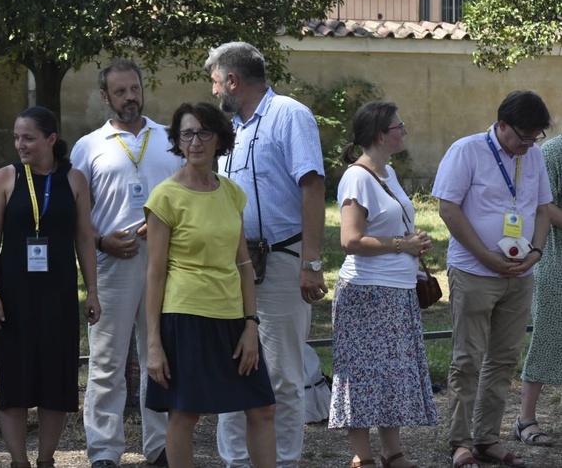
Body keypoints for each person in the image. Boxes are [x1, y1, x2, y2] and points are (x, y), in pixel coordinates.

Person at [206, 41, 327, 468]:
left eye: (216, 81)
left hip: (280, 262)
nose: (214, 91)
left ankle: (285, 462)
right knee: (230, 370)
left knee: (283, 375)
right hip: (229, 268)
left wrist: (311, 263)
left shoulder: (289, 115)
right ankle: (237, 462)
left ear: (233, 81)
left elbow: (312, 186)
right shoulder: (229, 130)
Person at [144, 102, 277, 468]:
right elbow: (154, 274)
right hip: (185, 316)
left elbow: (244, 265)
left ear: (219, 139)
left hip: (232, 317)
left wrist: (251, 324)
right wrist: (154, 343)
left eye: (204, 132)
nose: (195, 141)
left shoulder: (231, 193)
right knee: (184, 415)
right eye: (187, 133)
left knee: (263, 408)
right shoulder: (165, 197)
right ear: (177, 141)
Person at [432, 90, 552, 468]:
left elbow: (543, 209)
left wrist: (535, 252)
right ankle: (460, 442)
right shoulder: (466, 151)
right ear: (501, 125)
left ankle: (487, 438)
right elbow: (448, 209)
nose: (529, 144)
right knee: (468, 359)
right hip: (474, 271)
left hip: (521, 273)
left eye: (535, 137)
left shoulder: (532, 156)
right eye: (523, 136)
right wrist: (485, 256)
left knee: (503, 360)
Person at [70, 58, 180, 468]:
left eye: (135, 88)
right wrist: (101, 241)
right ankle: (103, 452)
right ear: (105, 97)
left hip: (165, 262)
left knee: (161, 355)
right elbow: (76, 213)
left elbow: (186, 197)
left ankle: (160, 447)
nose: (131, 97)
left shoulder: (170, 138)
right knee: (106, 361)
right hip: (112, 263)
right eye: (121, 92)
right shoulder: (89, 146)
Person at [0, 106, 101, 468]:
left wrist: (92, 290)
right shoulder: (5, 178)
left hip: (59, 293)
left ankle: (46, 459)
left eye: (28, 138)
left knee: (56, 376)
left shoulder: (74, 179)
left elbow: (84, 237)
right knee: (15, 378)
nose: (20, 144)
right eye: (17, 137)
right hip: (14, 294)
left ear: (51, 139)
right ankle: (19, 460)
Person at [328, 101, 438, 468]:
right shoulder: (357, 177)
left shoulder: (387, 173)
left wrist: (413, 241)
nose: (404, 130)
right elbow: (350, 240)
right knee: (360, 374)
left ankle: (393, 453)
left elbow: (387, 227)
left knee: (389, 373)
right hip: (366, 292)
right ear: (380, 135)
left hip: (397, 290)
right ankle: (363, 457)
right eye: (398, 126)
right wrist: (400, 245)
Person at [515, 134, 562, 447]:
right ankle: (525, 419)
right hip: (555, 261)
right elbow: (543, 206)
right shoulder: (554, 150)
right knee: (548, 335)